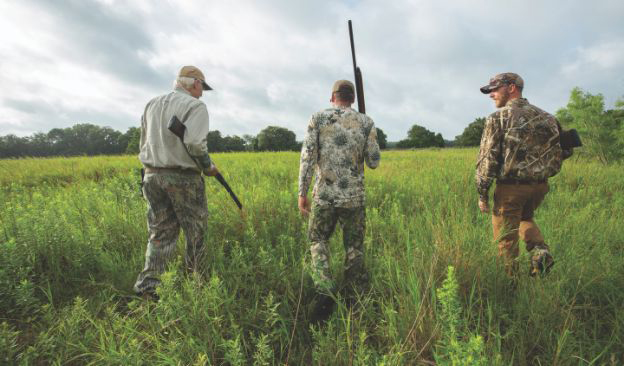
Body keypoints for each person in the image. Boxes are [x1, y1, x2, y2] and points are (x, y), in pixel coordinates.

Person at [133, 65, 219, 299]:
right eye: (202, 87)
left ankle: (149, 289)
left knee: (160, 233)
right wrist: (207, 167)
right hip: (183, 178)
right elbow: (195, 143)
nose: (202, 93)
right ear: (195, 84)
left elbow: (142, 142)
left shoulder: (151, 104)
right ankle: (196, 284)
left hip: (151, 175)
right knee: (196, 231)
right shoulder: (195, 106)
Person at [298, 79, 380, 319]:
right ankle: (354, 300)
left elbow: (307, 158)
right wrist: (365, 133)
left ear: (332, 97)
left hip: (324, 196)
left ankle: (324, 287)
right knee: (354, 248)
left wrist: (302, 192)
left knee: (318, 240)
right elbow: (373, 162)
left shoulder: (318, 118)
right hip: (354, 197)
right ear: (353, 99)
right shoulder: (366, 122)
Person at [476, 72, 571, 277]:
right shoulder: (548, 117)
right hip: (540, 186)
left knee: (505, 238)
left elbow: (487, 159)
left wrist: (482, 194)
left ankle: (510, 286)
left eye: (495, 89)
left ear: (512, 88)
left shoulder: (497, 118)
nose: (491, 95)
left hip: (511, 189)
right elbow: (567, 149)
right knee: (524, 218)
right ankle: (540, 252)